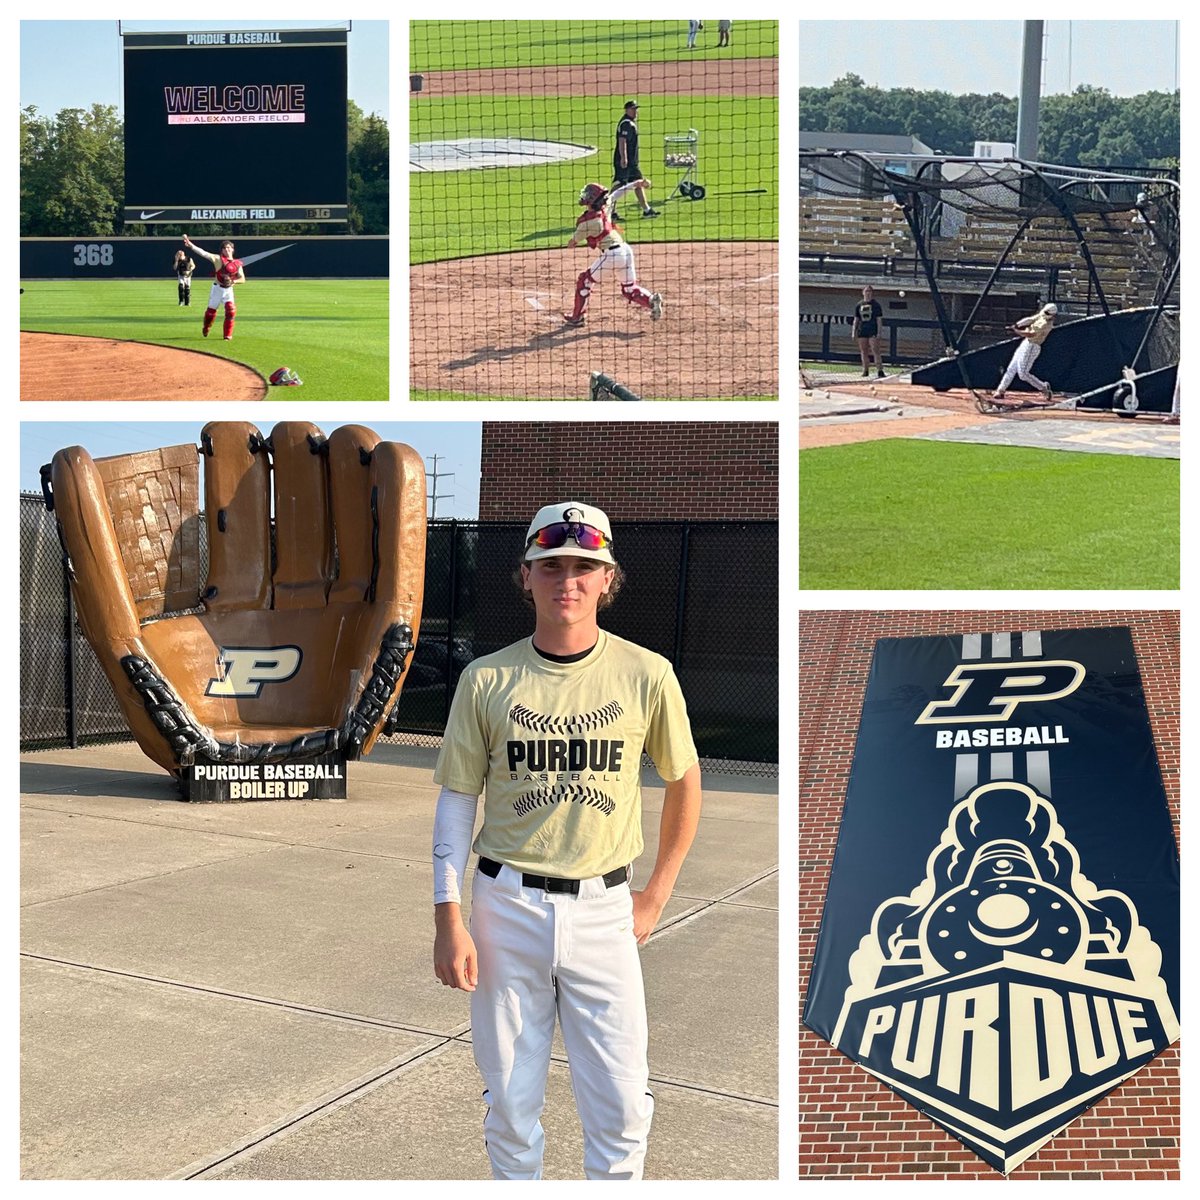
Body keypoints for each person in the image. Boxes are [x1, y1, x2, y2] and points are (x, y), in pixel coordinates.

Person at [431, 501, 702, 1180]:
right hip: (506, 907)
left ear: (608, 578)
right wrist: (448, 917)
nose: (568, 580)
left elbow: (684, 782)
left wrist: (656, 895)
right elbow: (458, 799)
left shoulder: (646, 673)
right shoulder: (487, 678)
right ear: (525, 576)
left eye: (585, 566)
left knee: (621, 1108)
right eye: (551, 565)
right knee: (510, 1107)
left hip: (605, 908)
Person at [563, 181, 663, 326]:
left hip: (612, 255)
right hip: (626, 251)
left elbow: (572, 243)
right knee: (629, 288)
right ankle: (651, 300)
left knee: (584, 281)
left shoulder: (587, 223)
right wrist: (637, 183)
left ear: (591, 199)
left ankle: (577, 318)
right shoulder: (606, 206)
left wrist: (574, 239)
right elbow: (618, 192)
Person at [182, 233, 245, 340]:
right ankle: (206, 327)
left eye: (229, 247)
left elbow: (242, 279)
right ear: (222, 250)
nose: (227, 249)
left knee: (231, 310)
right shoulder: (218, 259)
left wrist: (233, 281)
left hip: (228, 290)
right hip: (217, 289)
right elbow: (204, 253)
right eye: (224, 248)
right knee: (210, 313)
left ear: (232, 249)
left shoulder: (237, 263)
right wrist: (191, 245)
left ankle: (227, 335)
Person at [993, 302, 1057, 402]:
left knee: (1023, 374)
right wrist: (1017, 325)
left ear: (1052, 315)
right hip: (1026, 343)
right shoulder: (1042, 315)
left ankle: (1043, 387)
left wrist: (1017, 331)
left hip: (1033, 347)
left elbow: (1030, 334)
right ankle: (1000, 390)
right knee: (1011, 367)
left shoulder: (1046, 324)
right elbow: (1030, 319)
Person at [612, 101, 658, 220]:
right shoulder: (626, 123)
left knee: (638, 183)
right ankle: (610, 211)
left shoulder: (630, 122)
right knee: (619, 185)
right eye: (633, 109)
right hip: (625, 161)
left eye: (636, 109)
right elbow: (622, 141)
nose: (635, 111)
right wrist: (624, 158)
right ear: (626, 110)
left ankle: (647, 210)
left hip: (632, 162)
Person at [852, 285, 886, 378]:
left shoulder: (876, 305)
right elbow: (856, 319)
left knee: (875, 349)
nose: (868, 293)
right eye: (866, 291)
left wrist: (879, 332)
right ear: (863, 292)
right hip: (862, 330)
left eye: (870, 291)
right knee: (864, 351)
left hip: (873, 330)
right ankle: (865, 370)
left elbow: (879, 320)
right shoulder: (859, 305)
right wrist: (854, 331)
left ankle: (879, 370)